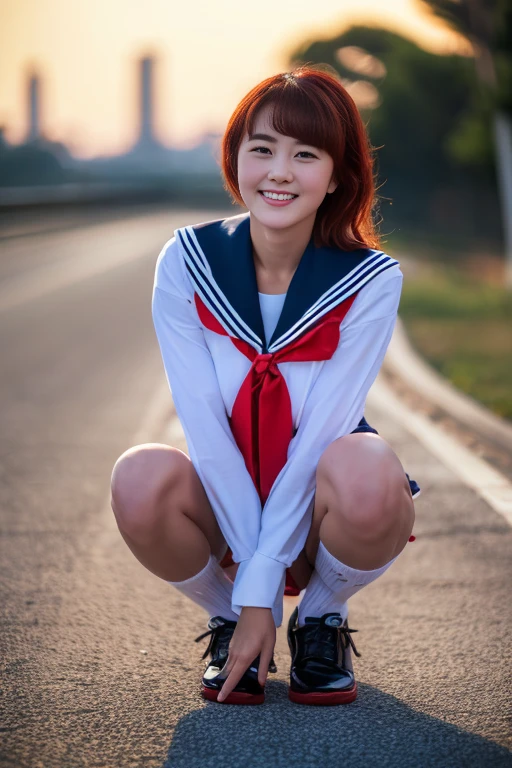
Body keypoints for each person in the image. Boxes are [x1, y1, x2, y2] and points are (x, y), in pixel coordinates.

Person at [110, 65, 420, 707]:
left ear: (337, 176)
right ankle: (230, 622)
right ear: (236, 159)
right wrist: (249, 596)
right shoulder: (187, 261)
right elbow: (202, 422)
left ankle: (319, 620)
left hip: (321, 506)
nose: (279, 171)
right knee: (139, 477)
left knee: (365, 463)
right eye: (262, 149)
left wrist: (269, 584)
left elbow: (322, 434)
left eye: (305, 154)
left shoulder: (370, 279)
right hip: (227, 500)